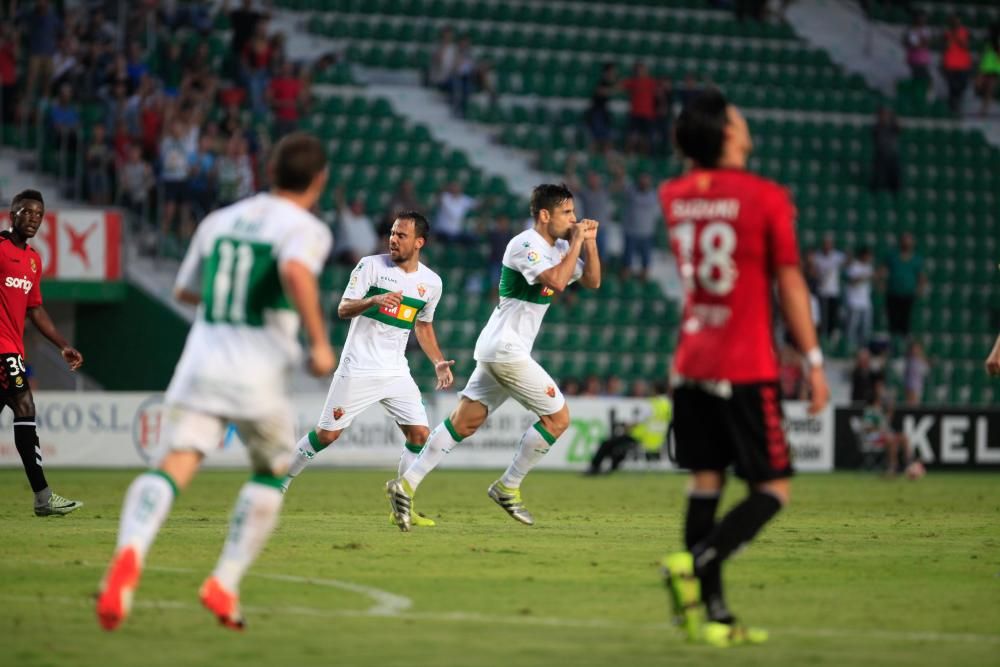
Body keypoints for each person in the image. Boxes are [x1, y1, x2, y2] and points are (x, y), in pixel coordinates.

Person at [96, 133, 336, 632]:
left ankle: (130, 554)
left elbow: (187, 288)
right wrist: (317, 341)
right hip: (257, 372)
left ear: (268, 169)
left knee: (173, 464)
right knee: (271, 469)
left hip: (200, 362)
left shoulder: (219, 220)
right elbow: (294, 270)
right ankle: (223, 580)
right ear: (319, 180)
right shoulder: (306, 229)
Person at [657, 89, 829, 647]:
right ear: (728, 132)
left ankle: (713, 618)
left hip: (691, 360)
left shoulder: (675, 195)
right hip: (745, 363)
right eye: (736, 115)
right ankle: (696, 562)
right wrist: (814, 361)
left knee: (706, 482)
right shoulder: (765, 197)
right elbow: (790, 281)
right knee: (773, 488)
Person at [385, 184, 602, 531]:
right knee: (558, 419)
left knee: (464, 422)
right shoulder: (525, 245)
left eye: (575, 213)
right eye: (567, 213)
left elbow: (591, 281)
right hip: (506, 349)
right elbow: (557, 282)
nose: (574, 219)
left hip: (501, 348)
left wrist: (587, 241)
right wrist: (577, 242)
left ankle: (406, 484)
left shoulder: (561, 246)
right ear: (544, 215)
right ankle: (508, 486)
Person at [281, 211, 453, 529]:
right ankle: (279, 483)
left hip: (396, 371)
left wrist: (438, 360)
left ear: (419, 242)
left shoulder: (431, 283)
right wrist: (373, 301)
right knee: (327, 435)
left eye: (401, 235)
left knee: (420, 434)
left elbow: (424, 326)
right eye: (391, 232)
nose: (393, 239)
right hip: (358, 366)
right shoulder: (371, 266)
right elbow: (343, 308)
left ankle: (402, 505)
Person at [2, 190, 85, 517]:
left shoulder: (33, 261)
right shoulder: (0, 248)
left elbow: (35, 310)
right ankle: (43, 497)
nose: (34, 218)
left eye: (39, 214)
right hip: (2, 349)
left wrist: (63, 344)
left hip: (13, 348)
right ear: (12, 213)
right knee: (25, 404)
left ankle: (42, 497)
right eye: (27, 212)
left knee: (22, 407)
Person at [586, 380, 672, 474]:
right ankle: (611, 468)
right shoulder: (668, 404)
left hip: (640, 437)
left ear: (654, 390)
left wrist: (625, 426)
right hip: (659, 440)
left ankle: (594, 467)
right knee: (619, 446)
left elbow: (637, 422)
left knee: (607, 443)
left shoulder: (651, 404)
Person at [860, 381, 916, 478]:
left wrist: (891, 407)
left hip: (885, 436)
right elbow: (866, 427)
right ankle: (892, 468)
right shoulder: (870, 410)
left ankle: (908, 465)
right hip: (873, 437)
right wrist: (879, 429)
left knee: (904, 437)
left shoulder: (882, 410)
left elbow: (887, 421)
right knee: (891, 439)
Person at [880, 232, 925, 344]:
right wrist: (881, 284)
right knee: (893, 320)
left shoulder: (916, 259)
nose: (907, 243)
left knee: (905, 321)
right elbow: (882, 271)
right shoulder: (893, 256)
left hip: (908, 294)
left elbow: (921, 276)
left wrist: (920, 288)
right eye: (905, 240)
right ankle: (893, 343)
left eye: (909, 241)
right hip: (893, 293)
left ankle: (903, 344)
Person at [812, 233, 845, 341]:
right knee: (823, 316)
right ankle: (822, 337)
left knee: (832, 316)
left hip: (833, 291)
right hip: (822, 291)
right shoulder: (817, 257)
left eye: (829, 244)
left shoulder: (837, 256)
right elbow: (813, 270)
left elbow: (846, 261)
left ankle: (831, 338)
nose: (827, 246)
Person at [844, 246, 874, 349]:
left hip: (865, 302)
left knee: (865, 328)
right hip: (854, 302)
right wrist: (865, 276)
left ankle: (863, 349)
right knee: (852, 328)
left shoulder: (869, 267)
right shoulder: (854, 266)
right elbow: (852, 281)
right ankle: (850, 348)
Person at [941, 14, 972, 115]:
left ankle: (957, 103)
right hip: (950, 64)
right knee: (952, 87)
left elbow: (966, 46)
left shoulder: (964, 32)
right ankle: (953, 107)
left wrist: (958, 37)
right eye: (954, 22)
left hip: (963, 64)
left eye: (958, 22)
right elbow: (946, 47)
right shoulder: (947, 33)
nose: (956, 24)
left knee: (962, 85)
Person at [975, 23, 1000, 117]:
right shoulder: (988, 41)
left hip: (994, 67)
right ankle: (982, 104)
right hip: (985, 66)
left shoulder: (996, 41)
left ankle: (984, 111)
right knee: (978, 84)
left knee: (989, 90)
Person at [903, 340, 929, 405]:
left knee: (915, 404)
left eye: (916, 349)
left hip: (917, 387)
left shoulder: (922, 362)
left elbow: (925, 372)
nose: (914, 350)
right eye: (913, 348)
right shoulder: (908, 360)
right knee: (909, 404)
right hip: (908, 385)